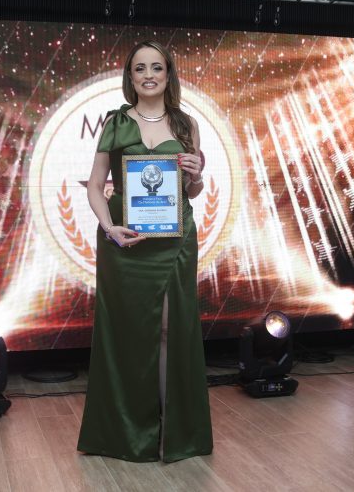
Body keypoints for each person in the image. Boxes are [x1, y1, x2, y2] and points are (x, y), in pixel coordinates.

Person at [77, 40, 213, 462]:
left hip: (174, 243)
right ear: (130, 77)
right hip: (125, 243)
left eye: (157, 67)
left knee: (171, 330)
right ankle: (128, 433)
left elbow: (192, 190)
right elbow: (95, 187)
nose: (149, 75)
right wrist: (109, 229)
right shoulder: (116, 122)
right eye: (140, 68)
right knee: (127, 334)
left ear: (168, 75)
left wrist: (196, 174)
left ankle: (170, 432)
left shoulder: (187, 124)